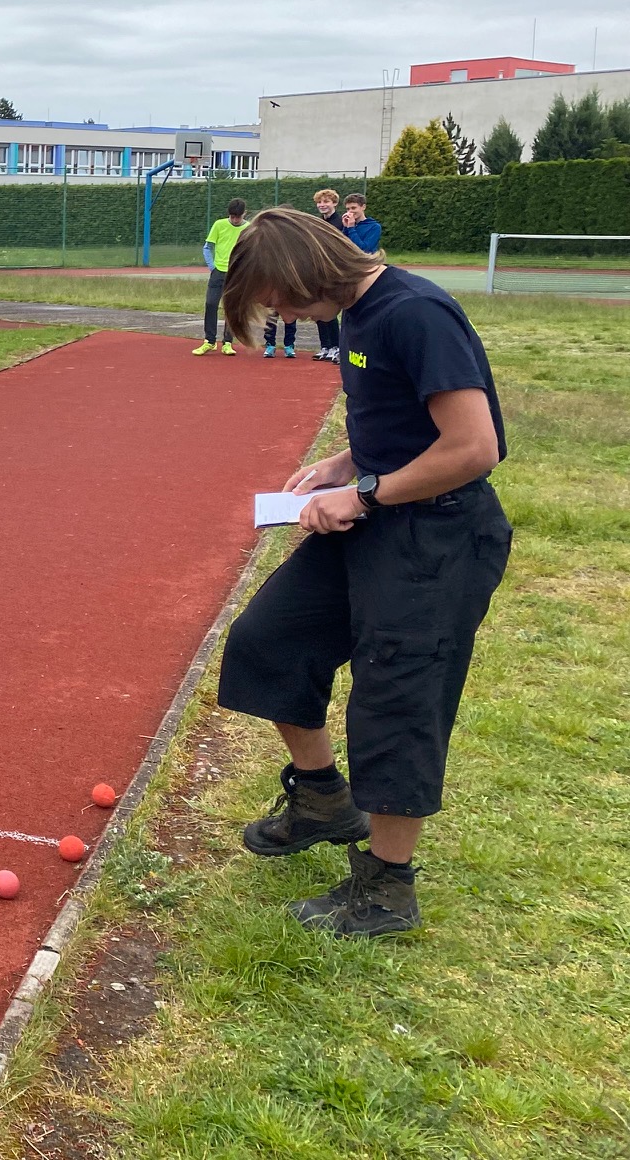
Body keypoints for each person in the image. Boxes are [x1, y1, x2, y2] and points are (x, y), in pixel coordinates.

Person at [216, 208, 510, 937]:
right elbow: (401, 415)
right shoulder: (353, 314)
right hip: (376, 519)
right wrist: (346, 462)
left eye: (279, 300)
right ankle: (322, 802)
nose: (283, 316)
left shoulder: (415, 313)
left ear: (304, 272)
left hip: (438, 535)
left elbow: (475, 447)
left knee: (397, 695)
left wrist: (365, 493)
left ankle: (386, 890)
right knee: (268, 642)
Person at [193, 198, 248, 356]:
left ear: (244, 214)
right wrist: (213, 267)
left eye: (238, 217)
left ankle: (228, 342)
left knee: (231, 307)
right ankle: (209, 341)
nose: (235, 220)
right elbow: (207, 247)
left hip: (236, 274)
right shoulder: (219, 225)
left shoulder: (249, 228)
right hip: (218, 272)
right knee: (211, 303)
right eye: (232, 216)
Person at [309, 190, 344, 361]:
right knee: (318, 308)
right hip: (318, 271)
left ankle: (336, 346)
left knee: (329, 308)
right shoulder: (317, 223)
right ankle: (325, 346)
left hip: (333, 271)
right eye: (319, 202)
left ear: (334, 203)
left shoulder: (341, 222)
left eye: (326, 202)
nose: (322, 205)